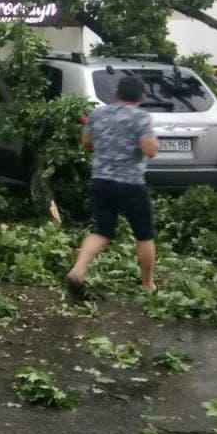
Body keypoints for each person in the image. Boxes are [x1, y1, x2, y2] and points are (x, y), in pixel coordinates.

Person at [65, 74, 159, 298]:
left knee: (101, 230)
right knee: (144, 234)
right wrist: (154, 142)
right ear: (140, 96)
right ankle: (147, 284)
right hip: (130, 185)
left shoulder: (98, 113)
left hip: (101, 182)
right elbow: (149, 150)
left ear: (117, 93)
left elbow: (87, 143)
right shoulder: (141, 117)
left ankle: (78, 270)